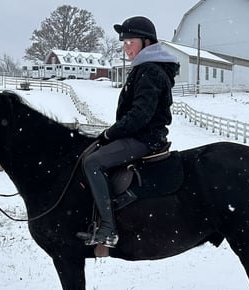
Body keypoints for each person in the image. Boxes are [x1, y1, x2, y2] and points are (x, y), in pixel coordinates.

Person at [77, 16, 180, 247]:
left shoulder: (150, 70)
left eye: (129, 42)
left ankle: (107, 229)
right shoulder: (145, 68)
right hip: (138, 134)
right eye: (124, 43)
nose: (125, 48)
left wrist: (109, 134)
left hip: (144, 138)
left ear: (146, 43)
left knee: (92, 163)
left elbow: (139, 116)